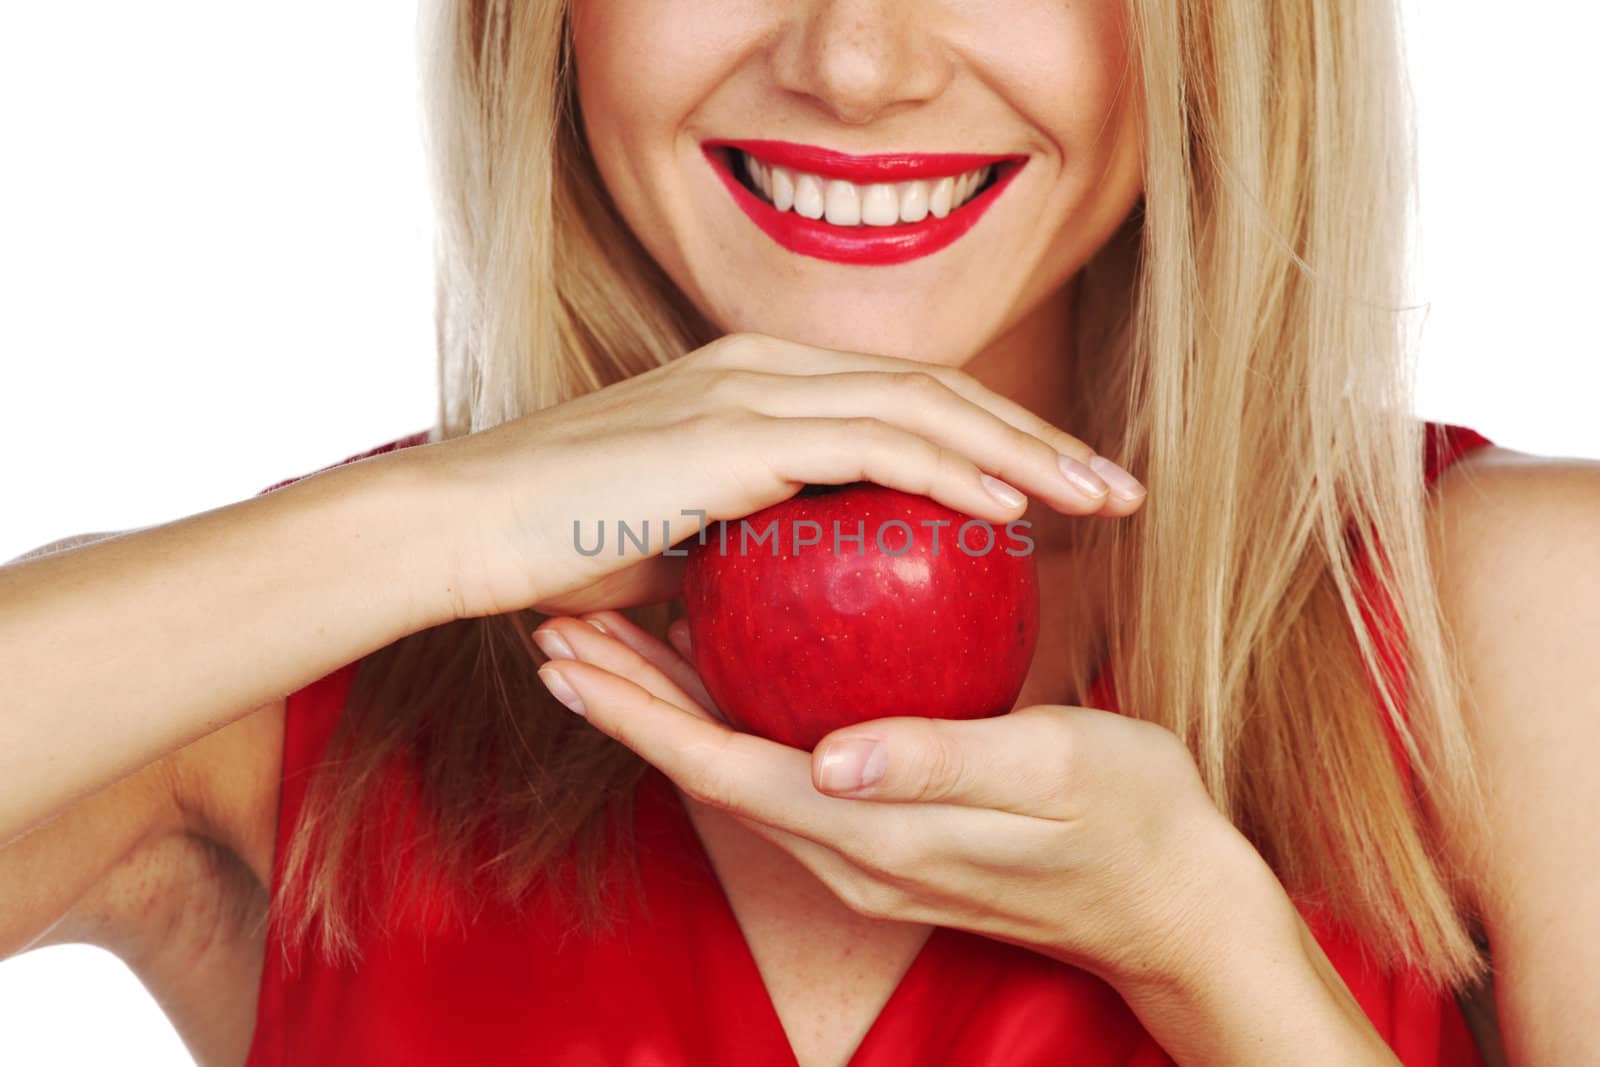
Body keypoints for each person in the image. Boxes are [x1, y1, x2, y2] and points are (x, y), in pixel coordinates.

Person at [2, 0, 1595, 1063]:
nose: (858, 63)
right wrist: (437, 519)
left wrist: (1210, 955)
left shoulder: (1518, 625)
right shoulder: (300, 684)